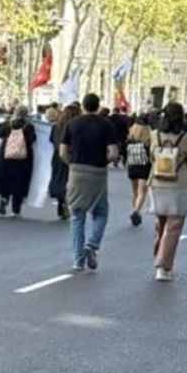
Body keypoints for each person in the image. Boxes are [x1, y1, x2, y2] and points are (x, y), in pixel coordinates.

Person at [60, 93, 120, 272]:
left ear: (83, 106)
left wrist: (71, 163)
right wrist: (104, 161)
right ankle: (92, 244)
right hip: (98, 173)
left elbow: (62, 151)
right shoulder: (106, 124)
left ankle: (78, 260)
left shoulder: (72, 124)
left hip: (77, 171)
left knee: (77, 215)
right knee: (101, 212)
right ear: (97, 106)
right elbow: (114, 153)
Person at [147, 102, 187, 281]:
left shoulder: (154, 135)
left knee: (160, 220)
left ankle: (159, 248)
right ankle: (163, 266)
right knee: (174, 226)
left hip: (157, 183)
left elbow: (151, 157)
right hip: (178, 185)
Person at [0, 105, 38, 217]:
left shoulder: (7, 124)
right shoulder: (29, 126)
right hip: (23, 159)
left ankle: (4, 197)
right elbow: (32, 139)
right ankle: (16, 209)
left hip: (6, 156)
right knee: (19, 183)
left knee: (5, 179)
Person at [48, 103, 79, 220]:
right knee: (71, 180)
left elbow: (51, 139)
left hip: (57, 156)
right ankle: (68, 201)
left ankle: (61, 200)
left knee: (59, 178)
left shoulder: (56, 126)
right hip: (72, 155)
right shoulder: (75, 126)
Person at [124, 115, 153, 226]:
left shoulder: (131, 138)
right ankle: (136, 211)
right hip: (144, 167)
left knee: (135, 192)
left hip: (132, 166)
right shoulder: (148, 140)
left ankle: (135, 209)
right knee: (142, 192)